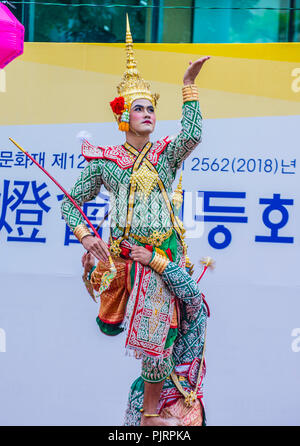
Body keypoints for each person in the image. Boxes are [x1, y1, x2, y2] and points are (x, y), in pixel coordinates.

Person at [61, 15, 210, 426]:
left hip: (163, 255)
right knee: (153, 338)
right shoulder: (107, 162)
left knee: (166, 335)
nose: (148, 114)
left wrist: (188, 86)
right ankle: (147, 416)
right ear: (123, 117)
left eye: (151, 108)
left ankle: (150, 414)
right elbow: (70, 203)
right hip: (129, 258)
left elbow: (193, 134)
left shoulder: (164, 155)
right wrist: (85, 236)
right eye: (139, 108)